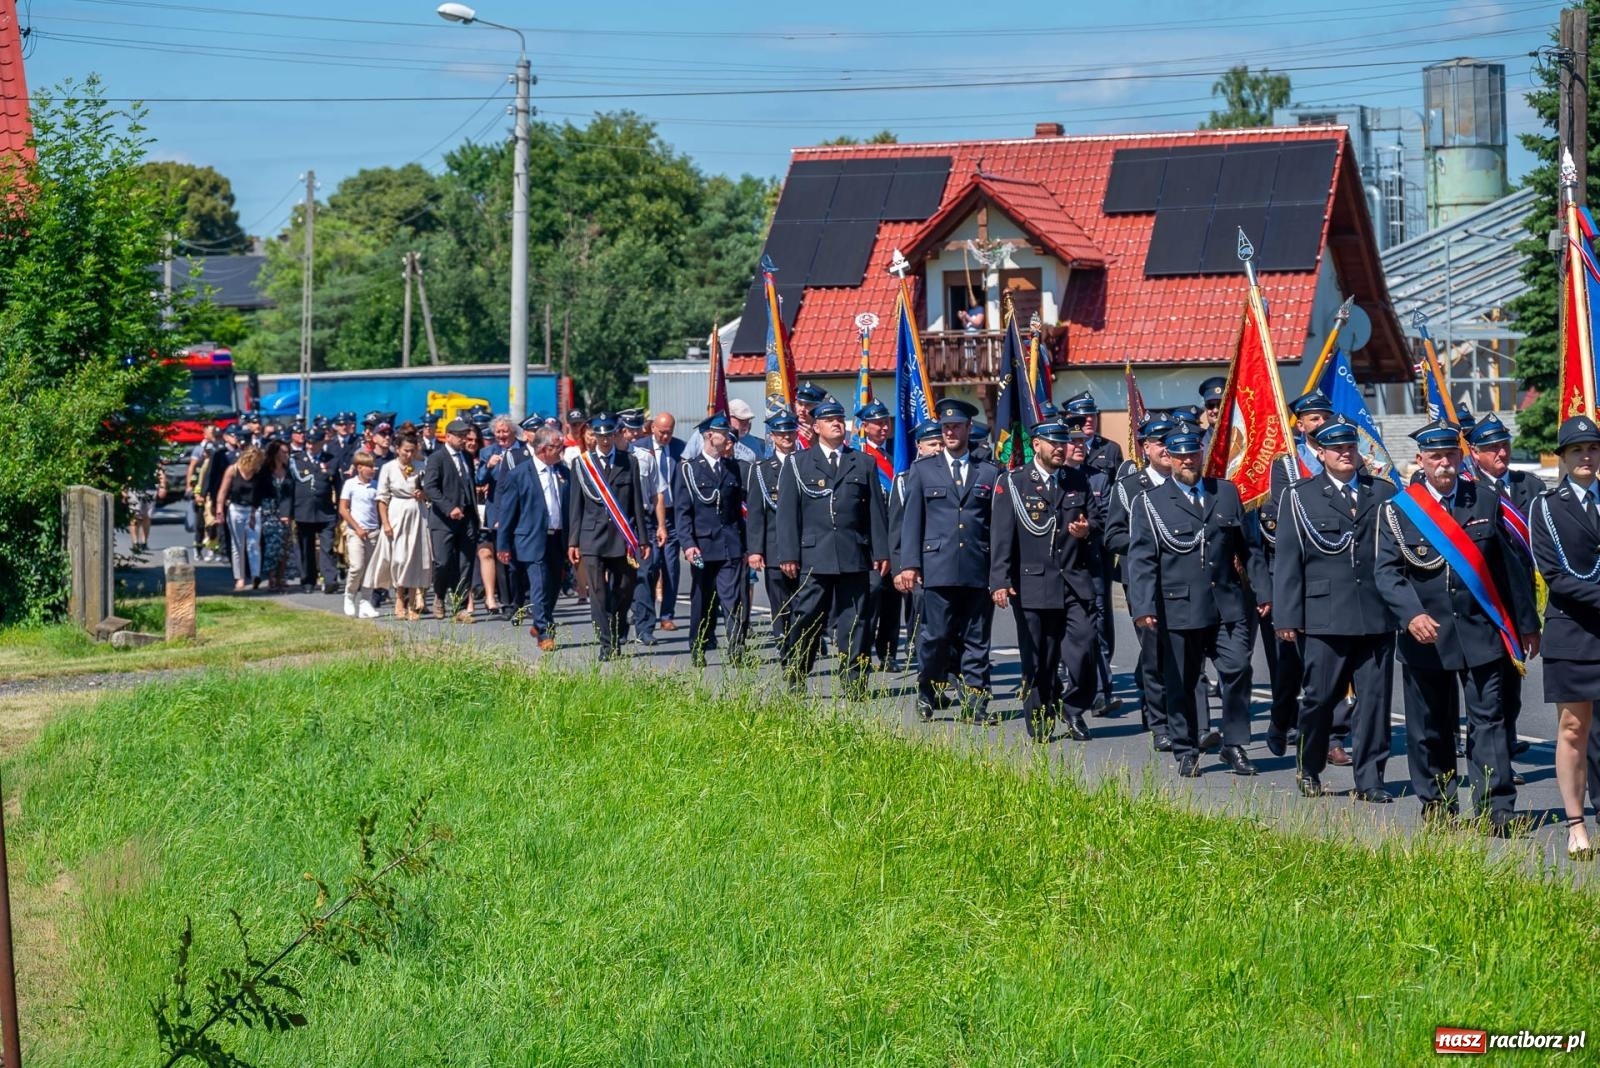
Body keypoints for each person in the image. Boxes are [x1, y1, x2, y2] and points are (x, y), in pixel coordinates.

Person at [1375, 420, 1539, 834]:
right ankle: (1438, 806)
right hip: (1425, 637)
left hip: (1481, 631)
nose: (1444, 463)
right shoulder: (1399, 510)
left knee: (1490, 722)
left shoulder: (1483, 499)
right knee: (1430, 727)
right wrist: (1411, 615)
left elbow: (1508, 568)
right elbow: (1388, 574)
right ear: (1421, 461)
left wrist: (1526, 625)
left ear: (1460, 456)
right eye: (1435, 457)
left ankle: (1496, 809)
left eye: (1450, 455)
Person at [1126, 423, 1267, 778]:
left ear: (1202, 454)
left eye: (1194, 453)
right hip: (1179, 608)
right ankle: (1186, 747)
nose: (1188, 460)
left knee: (1237, 669)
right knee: (1184, 682)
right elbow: (1141, 560)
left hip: (1226, 605)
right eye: (1181, 454)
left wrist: (1264, 592)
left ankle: (1233, 744)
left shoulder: (1226, 493)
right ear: (1169, 458)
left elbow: (1248, 549)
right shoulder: (1150, 503)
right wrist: (1143, 607)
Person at [1272, 416, 1398, 802]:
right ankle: (1309, 766)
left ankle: (1370, 779)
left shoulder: (1382, 493)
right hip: (1325, 616)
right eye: (1337, 448)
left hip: (1375, 614)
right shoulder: (1301, 496)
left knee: (1374, 702)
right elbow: (1289, 561)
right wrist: (1288, 616)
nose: (1346, 453)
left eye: (1350, 447)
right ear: (1321, 454)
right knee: (1319, 699)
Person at [991, 418, 1101, 742]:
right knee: (1039, 659)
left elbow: (1097, 518)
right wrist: (999, 579)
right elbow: (1001, 536)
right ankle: (1040, 716)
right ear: (1036, 444)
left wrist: (1088, 529)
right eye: (1053, 442)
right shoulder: (1014, 483)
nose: (1060, 448)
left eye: (1063, 442)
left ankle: (1073, 705)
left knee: (1084, 649)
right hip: (1033, 584)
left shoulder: (1076, 479)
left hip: (1074, 582)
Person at [897, 398, 1000, 722]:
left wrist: (1000, 574)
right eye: (946, 427)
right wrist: (909, 564)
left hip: (976, 569)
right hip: (937, 570)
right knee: (935, 638)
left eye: (956, 426)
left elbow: (997, 527)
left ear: (969, 429)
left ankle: (976, 704)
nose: (951, 431)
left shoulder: (988, 471)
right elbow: (911, 520)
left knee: (976, 642)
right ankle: (927, 692)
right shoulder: (924, 470)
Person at [777, 399, 889, 695]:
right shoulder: (798, 463)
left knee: (856, 621)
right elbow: (788, 513)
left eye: (840, 418)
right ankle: (797, 672)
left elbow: (875, 512)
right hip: (814, 556)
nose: (837, 423)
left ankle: (855, 681)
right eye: (830, 420)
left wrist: (881, 552)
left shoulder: (863, 462)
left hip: (853, 553)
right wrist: (788, 553)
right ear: (816, 427)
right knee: (807, 618)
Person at [1531, 416, 1600, 860]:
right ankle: (1576, 824)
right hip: (1573, 631)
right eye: (1576, 450)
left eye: (1592, 448)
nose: (1586, 457)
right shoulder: (1547, 507)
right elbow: (1555, 575)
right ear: (1562, 457)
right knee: (1574, 729)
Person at [1467, 412, 1543, 772]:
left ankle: (1505, 746)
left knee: (1511, 690)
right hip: (1484, 602)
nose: (1501, 453)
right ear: (1475, 453)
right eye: (1491, 448)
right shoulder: (1468, 490)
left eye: (1504, 445)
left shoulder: (1530, 486)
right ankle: (1491, 763)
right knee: (1487, 692)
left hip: (1521, 603)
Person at [1104, 416, 1175, 747]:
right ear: (1145, 448)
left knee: (1182, 651)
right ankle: (1159, 721)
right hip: (1143, 580)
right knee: (1155, 648)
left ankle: (1181, 717)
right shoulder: (1129, 487)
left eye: (1169, 441)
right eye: (1158, 442)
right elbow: (1113, 535)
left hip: (1182, 580)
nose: (1165, 447)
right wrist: (1145, 541)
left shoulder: (1185, 484)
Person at [568, 412, 654, 660]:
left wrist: (644, 538)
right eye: (600, 435)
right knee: (598, 592)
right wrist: (573, 541)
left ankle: (618, 627)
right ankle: (607, 644)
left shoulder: (630, 462)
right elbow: (576, 506)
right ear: (593, 436)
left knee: (625, 588)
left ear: (616, 434)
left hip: (622, 538)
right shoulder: (582, 464)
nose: (604, 440)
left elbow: (637, 502)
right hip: (592, 537)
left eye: (609, 435)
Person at [1063, 390, 1122, 713]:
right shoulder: (1056, 479)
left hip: (1093, 558)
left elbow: (1108, 515)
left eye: (1082, 443)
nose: (1079, 447)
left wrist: (1092, 530)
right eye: (1073, 442)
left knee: (1098, 623)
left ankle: (1102, 690)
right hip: (1063, 564)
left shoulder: (1099, 477)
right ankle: (1075, 681)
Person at [675, 412, 748, 666]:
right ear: (709, 435)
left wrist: (746, 545)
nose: (728, 438)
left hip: (730, 545)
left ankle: (736, 648)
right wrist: (688, 544)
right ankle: (697, 646)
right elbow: (683, 513)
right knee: (702, 600)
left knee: (733, 599)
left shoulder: (733, 467)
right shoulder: (688, 469)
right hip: (703, 546)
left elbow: (738, 511)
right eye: (723, 433)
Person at [496, 426, 570, 650]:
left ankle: (540, 621)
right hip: (531, 539)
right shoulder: (519, 474)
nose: (562, 452)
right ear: (544, 449)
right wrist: (503, 544)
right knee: (538, 584)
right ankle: (545, 631)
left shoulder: (563, 472)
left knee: (553, 586)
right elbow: (507, 512)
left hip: (557, 539)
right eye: (559, 447)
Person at [890, 419, 946, 671]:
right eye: (932, 444)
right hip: (919, 560)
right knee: (922, 614)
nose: (938, 449)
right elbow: (898, 527)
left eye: (941, 443)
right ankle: (928, 668)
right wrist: (900, 566)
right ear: (918, 447)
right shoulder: (904, 479)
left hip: (945, 560)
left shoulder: (953, 475)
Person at [745, 410, 801, 650]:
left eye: (790, 432)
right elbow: (756, 514)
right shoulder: (762, 470)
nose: (787, 437)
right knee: (780, 601)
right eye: (781, 433)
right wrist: (755, 550)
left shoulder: (806, 463)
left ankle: (802, 643)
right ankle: (783, 643)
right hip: (774, 546)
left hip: (805, 545)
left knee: (803, 599)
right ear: (773, 437)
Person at [854, 400, 901, 672]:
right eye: (877, 423)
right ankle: (862, 652)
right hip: (870, 541)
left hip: (896, 538)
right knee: (870, 599)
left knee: (892, 602)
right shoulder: (860, 457)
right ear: (865, 427)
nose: (883, 427)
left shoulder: (897, 454)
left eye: (886, 422)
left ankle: (888, 652)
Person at [421, 417, 481, 622]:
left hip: (467, 518)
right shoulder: (437, 458)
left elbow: (469, 484)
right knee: (443, 561)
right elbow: (430, 487)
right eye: (460, 436)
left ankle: (460, 606)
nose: (464, 439)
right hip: (444, 520)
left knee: (466, 563)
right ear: (448, 436)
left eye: (466, 435)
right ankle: (439, 595)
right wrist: (448, 507)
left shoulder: (467, 457)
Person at [632, 411, 683, 641]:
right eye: (662, 432)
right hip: (647, 516)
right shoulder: (639, 449)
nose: (666, 437)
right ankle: (644, 615)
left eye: (669, 432)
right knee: (649, 567)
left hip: (672, 515)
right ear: (652, 428)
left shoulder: (680, 448)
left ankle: (667, 615)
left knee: (671, 566)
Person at [372, 431, 434, 620]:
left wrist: (423, 495)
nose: (409, 454)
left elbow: (431, 492)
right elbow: (382, 497)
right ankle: (399, 597)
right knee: (399, 558)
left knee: (416, 558)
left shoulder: (421, 466)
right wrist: (386, 523)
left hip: (418, 513)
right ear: (397, 449)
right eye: (405, 450)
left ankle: (413, 603)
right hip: (397, 512)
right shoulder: (388, 468)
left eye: (412, 451)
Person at [288, 427, 340, 594]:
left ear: (321, 442)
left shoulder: (331, 460)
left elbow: (338, 486)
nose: (310, 446)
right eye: (308, 442)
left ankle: (330, 579)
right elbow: (290, 487)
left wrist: (339, 508)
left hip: (325, 511)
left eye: (314, 443)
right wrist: (288, 512)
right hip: (303, 511)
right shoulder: (296, 460)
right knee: (306, 548)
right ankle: (308, 580)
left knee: (327, 547)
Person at [215, 445, 267, 591]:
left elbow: (261, 493)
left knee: (253, 544)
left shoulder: (258, 472)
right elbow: (223, 491)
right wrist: (219, 509)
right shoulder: (233, 470)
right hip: (235, 509)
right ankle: (240, 578)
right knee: (238, 545)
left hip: (253, 510)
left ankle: (256, 575)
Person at [337, 451, 382, 618]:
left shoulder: (376, 485)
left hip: (373, 532)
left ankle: (366, 601)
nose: (373, 470)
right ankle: (349, 595)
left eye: (374, 466)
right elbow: (343, 508)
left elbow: (379, 507)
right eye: (369, 467)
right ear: (359, 468)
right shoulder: (350, 484)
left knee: (371, 569)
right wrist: (357, 528)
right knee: (357, 566)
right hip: (356, 531)